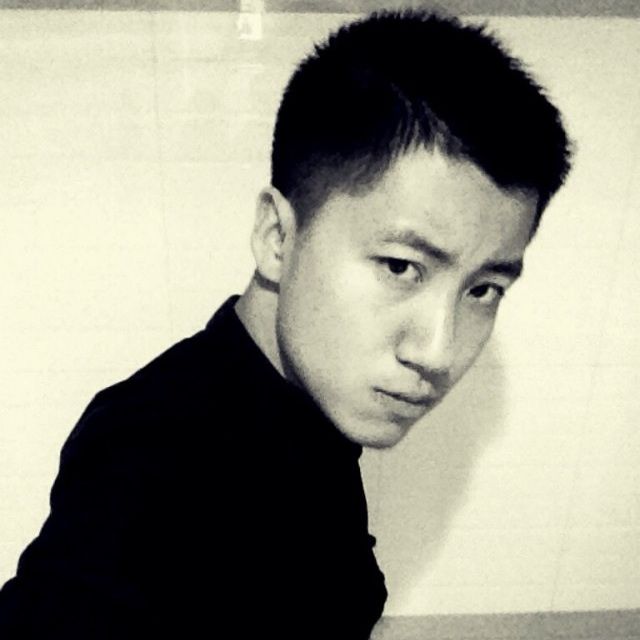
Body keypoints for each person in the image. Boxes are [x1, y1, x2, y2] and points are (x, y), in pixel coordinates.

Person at [0, 8, 571, 640]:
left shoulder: (305, 409)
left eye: (483, 289)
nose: (439, 350)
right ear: (277, 237)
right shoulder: (152, 462)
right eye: (400, 267)